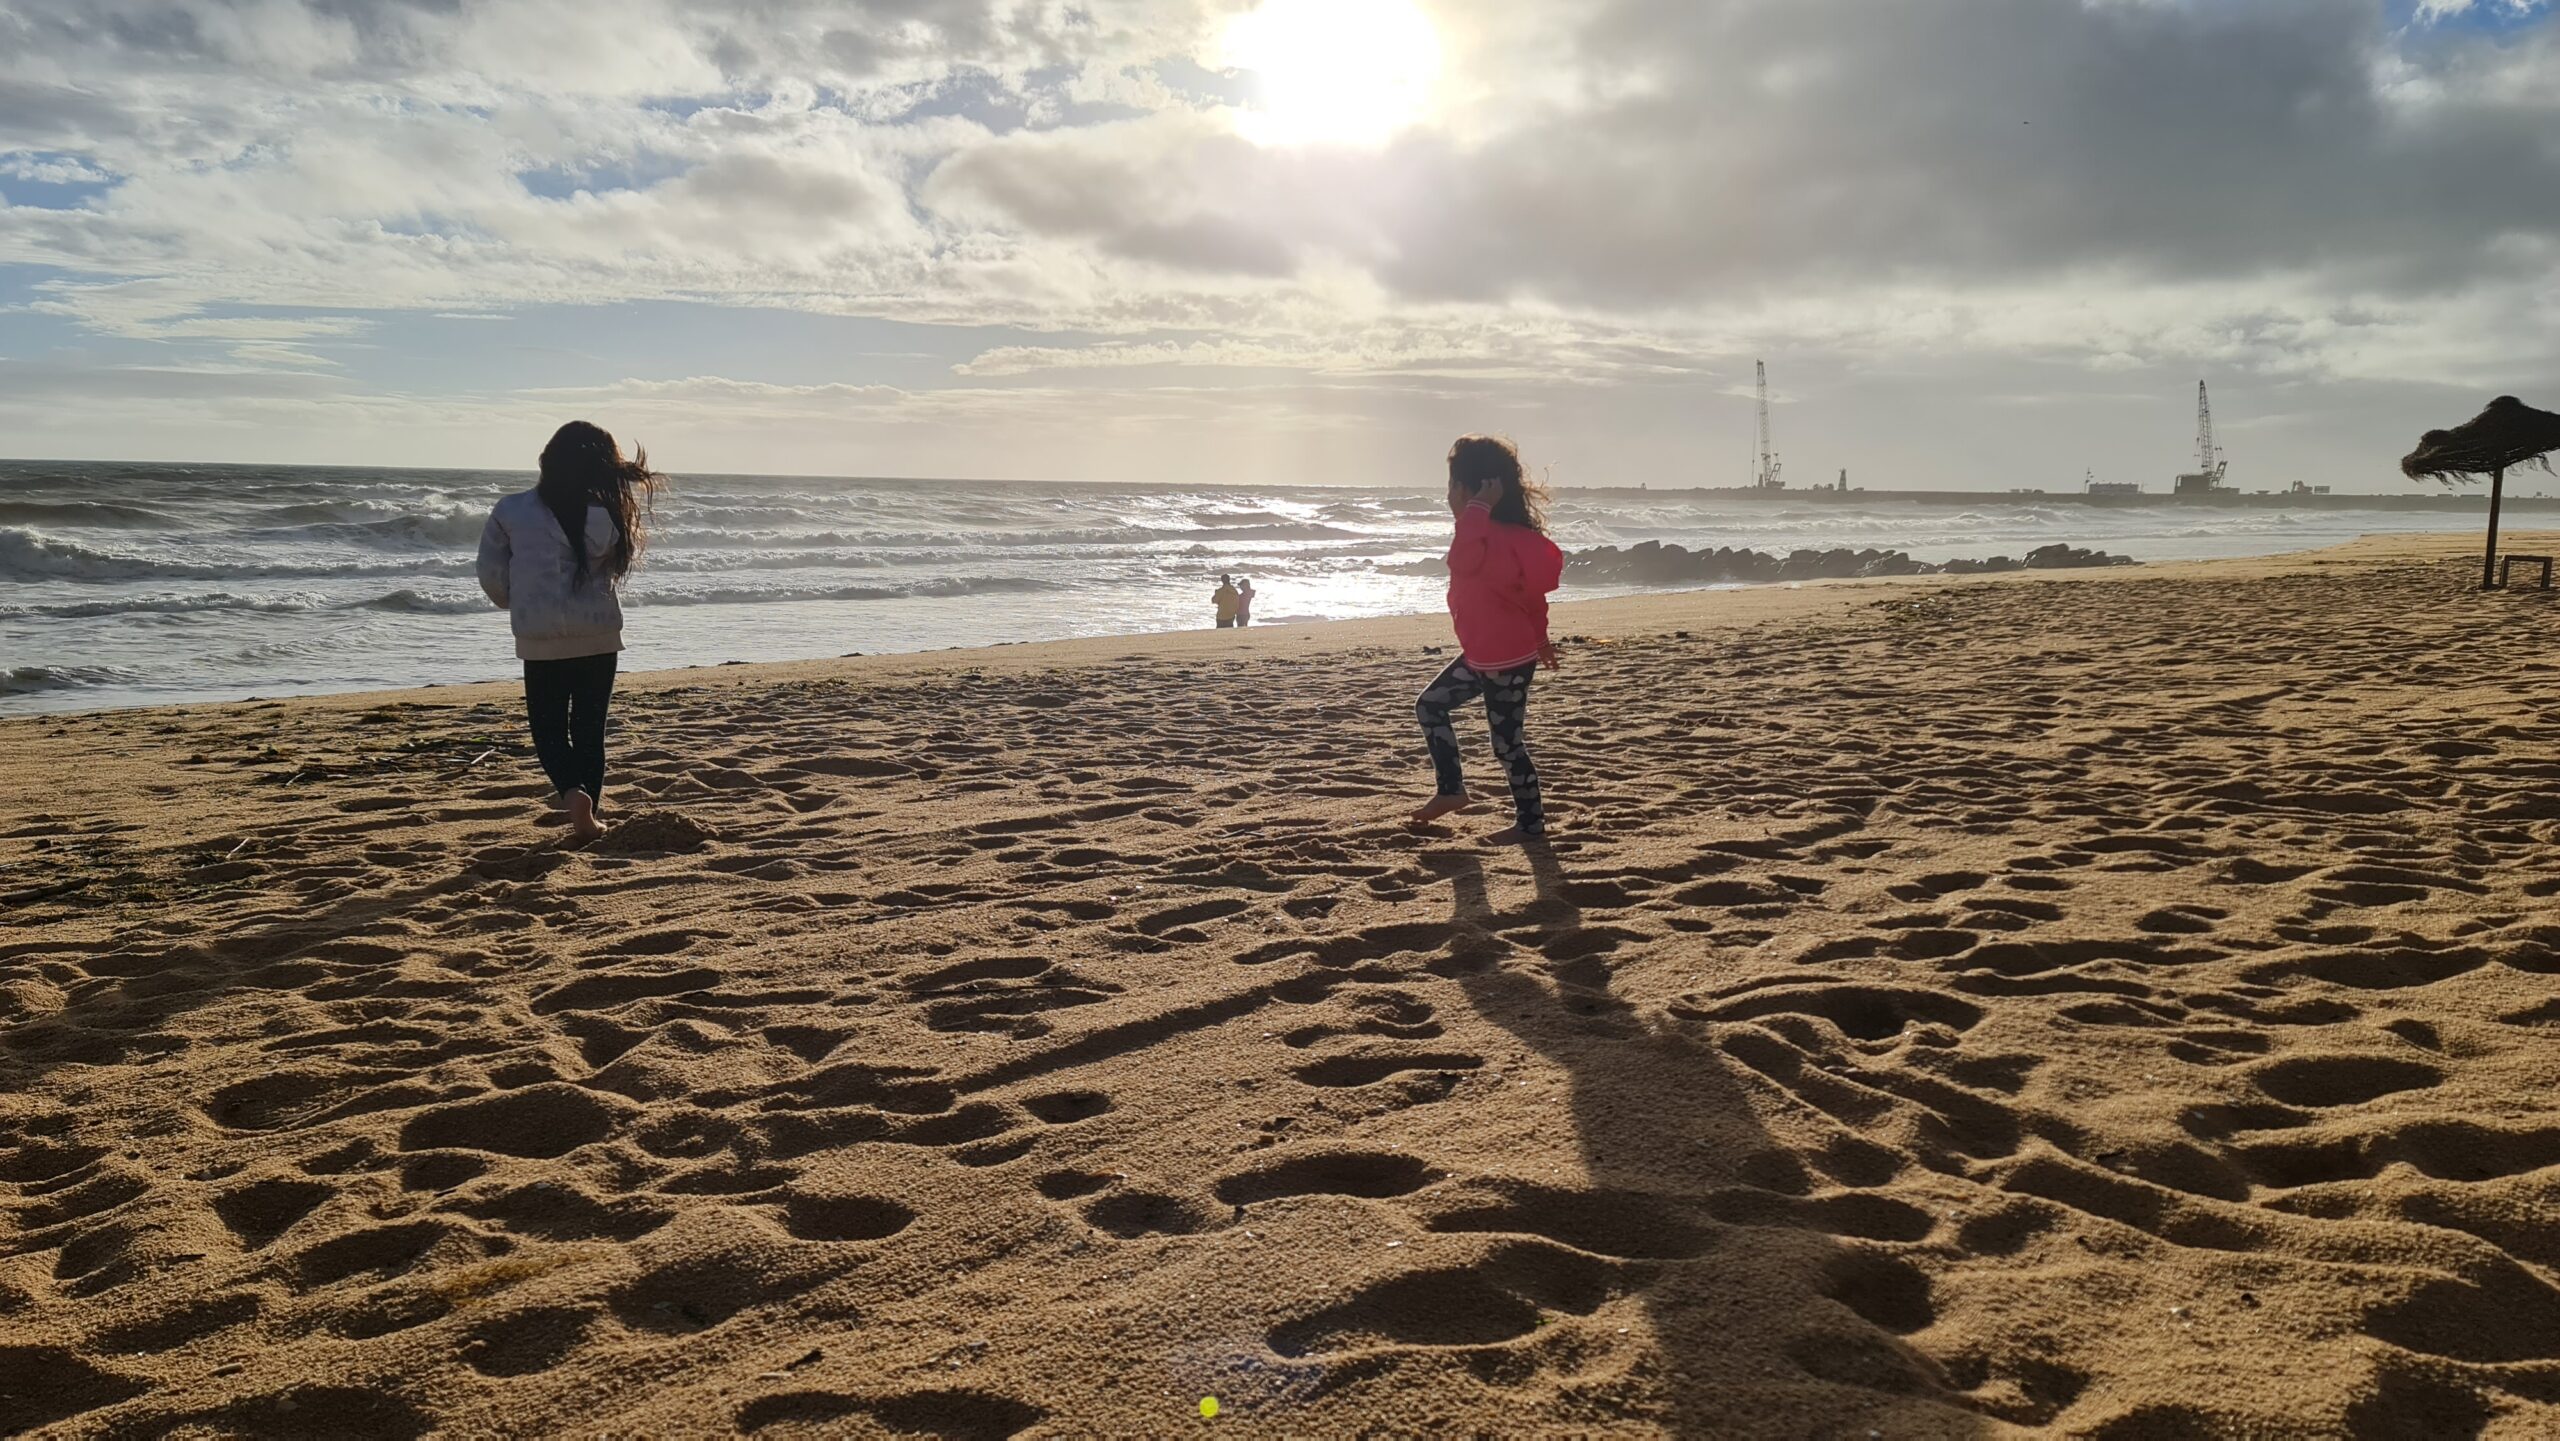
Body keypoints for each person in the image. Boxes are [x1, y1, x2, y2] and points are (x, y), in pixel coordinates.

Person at [476, 421, 661, 843]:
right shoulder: (609, 513)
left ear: (548, 460)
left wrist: (516, 601)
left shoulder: (512, 511)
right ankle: (588, 814)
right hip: (598, 635)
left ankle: (573, 795)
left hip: (540, 636)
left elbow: (491, 575)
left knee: (549, 731)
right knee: (590, 730)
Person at [1409, 435, 1562, 844]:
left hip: (1506, 661)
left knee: (1507, 744)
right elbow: (1529, 598)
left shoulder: (1486, 537)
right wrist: (1541, 641)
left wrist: (1475, 509)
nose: (1447, 495)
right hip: (1482, 656)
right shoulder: (1488, 533)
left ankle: (1530, 825)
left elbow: (1463, 562)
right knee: (1430, 706)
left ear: (1467, 490)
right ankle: (1451, 790)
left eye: (1451, 486)